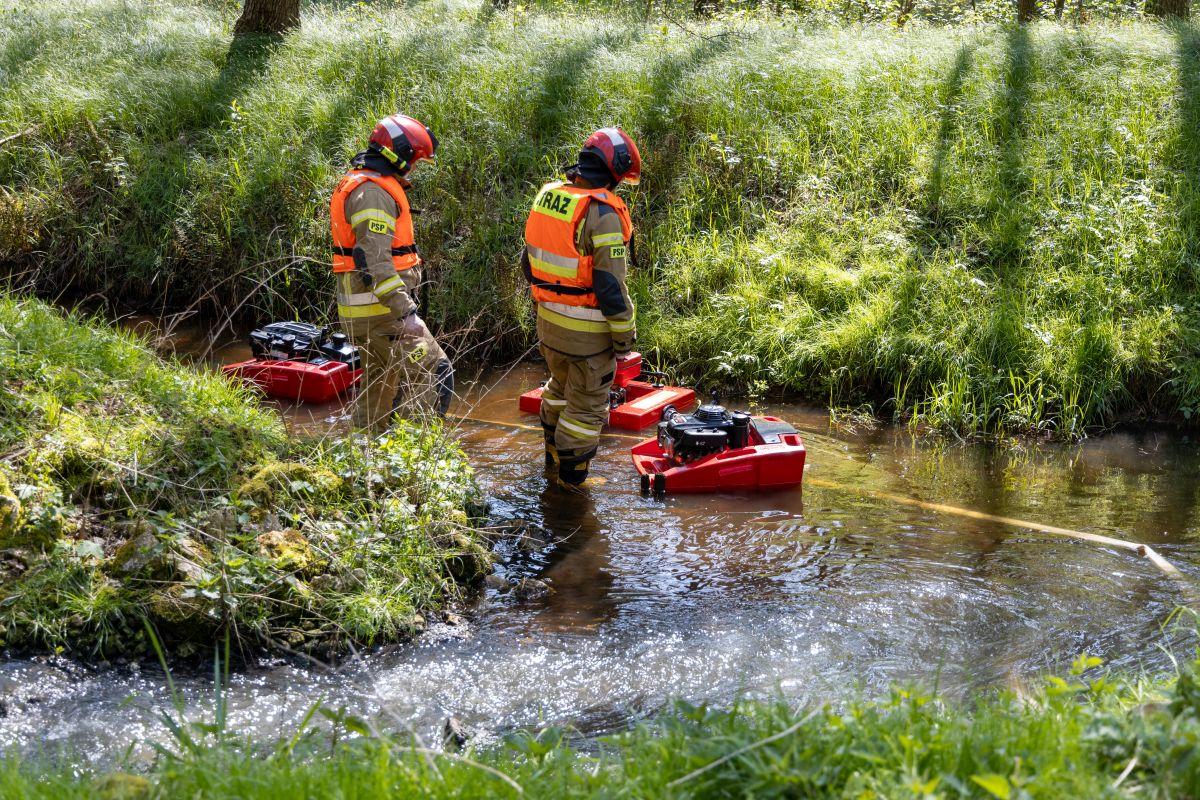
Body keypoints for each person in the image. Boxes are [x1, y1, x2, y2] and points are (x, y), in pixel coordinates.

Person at [522, 128, 641, 487]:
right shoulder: (602, 212)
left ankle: (552, 464)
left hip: (549, 325)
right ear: (614, 171)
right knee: (585, 410)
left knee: (558, 389)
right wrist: (624, 339)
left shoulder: (549, 197)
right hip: (587, 334)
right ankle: (571, 487)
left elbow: (528, 263)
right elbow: (609, 286)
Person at [329, 113, 453, 432]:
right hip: (383, 313)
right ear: (399, 154)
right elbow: (373, 260)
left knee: (381, 386)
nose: (414, 168)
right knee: (434, 373)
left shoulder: (366, 184)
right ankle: (420, 452)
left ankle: (366, 452)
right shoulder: (374, 192)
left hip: (368, 312)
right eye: (415, 160)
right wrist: (406, 313)